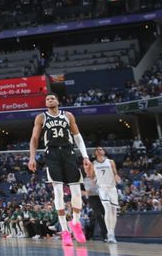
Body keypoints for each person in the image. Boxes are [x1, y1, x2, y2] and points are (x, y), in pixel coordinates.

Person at [28, 92, 91, 247]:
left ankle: (75, 223)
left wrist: (85, 156)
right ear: (45, 103)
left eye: (52, 98)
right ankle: (64, 231)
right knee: (58, 192)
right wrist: (32, 157)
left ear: (58, 101)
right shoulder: (41, 117)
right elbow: (35, 139)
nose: (50, 100)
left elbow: (77, 137)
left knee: (76, 192)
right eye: (47, 99)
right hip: (52, 154)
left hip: (69, 152)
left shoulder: (68, 115)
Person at [92, 145, 121, 244]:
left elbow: (115, 173)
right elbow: (92, 176)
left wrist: (117, 177)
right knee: (107, 209)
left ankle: (112, 232)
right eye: (97, 150)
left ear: (104, 152)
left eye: (101, 149)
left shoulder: (110, 162)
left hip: (112, 188)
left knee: (113, 211)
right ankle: (110, 234)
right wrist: (94, 179)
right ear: (95, 153)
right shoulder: (93, 163)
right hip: (102, 188)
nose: (99, 151)